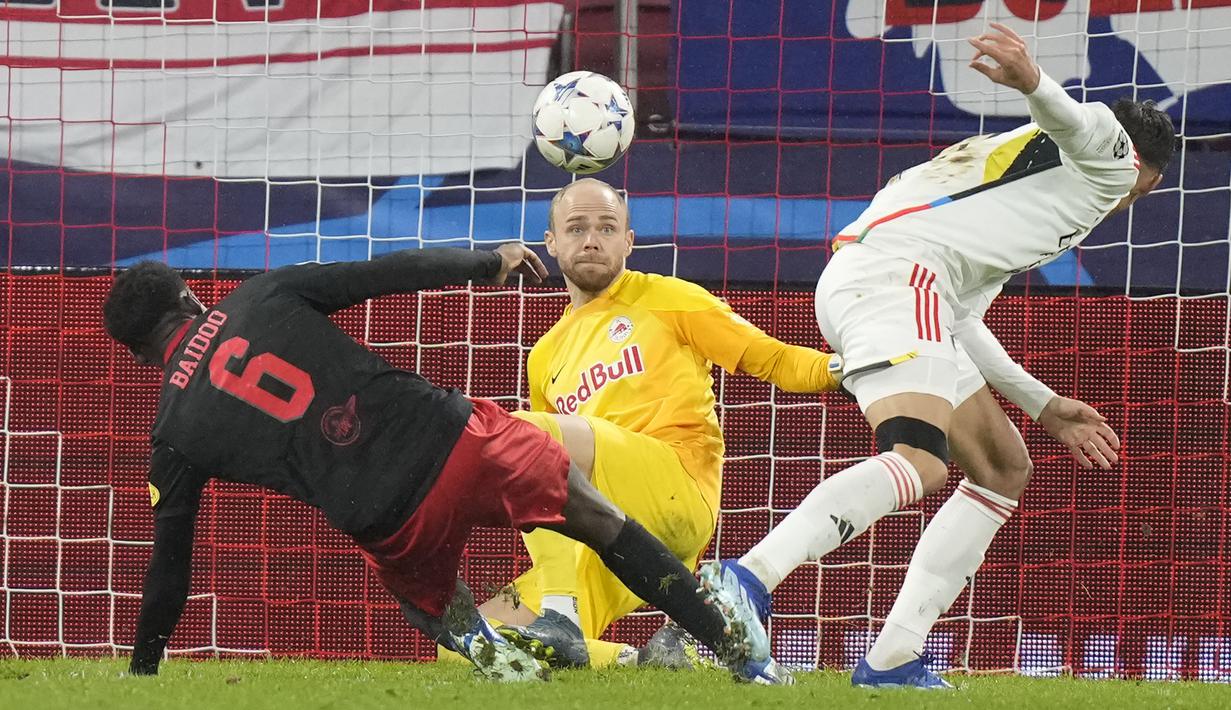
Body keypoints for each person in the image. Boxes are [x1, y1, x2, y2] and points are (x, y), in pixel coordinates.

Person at [699, 22, 1175, 689]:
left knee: (1002, 466)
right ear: (1148, 180)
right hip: (896, 280)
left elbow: (959, 322)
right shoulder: (1108, 161)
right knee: (918, 461)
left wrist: (1041, 405)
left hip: (880, 284)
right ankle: (743, 580)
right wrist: (1032, 80)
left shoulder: (1010, 194)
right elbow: (1085, 123)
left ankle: (893, 656)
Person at [103, 243, 784, 683]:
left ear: (140, 356)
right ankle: (737, 656)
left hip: (387, 518)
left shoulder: (174, 436)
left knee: (436, 609)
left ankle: (506, 667)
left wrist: (142, 668)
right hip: (453, 439)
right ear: (191, 297)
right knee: (597, 518)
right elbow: (386, 274)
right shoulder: (259, 295)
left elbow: (170, 565)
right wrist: (483, 264)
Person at [476, 178, 843, 672]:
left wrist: (843, 368)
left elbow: (771, 358)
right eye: (577, 228)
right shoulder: (545, 356)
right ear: (551, 242)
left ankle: (561, 614)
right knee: (479, 640)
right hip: (610, 531)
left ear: (628, 242)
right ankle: (639, 662)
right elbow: (545, 484)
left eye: (607, 228)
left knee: (522, 433)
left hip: (676, 489)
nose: (591, 240)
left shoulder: (669, 298)